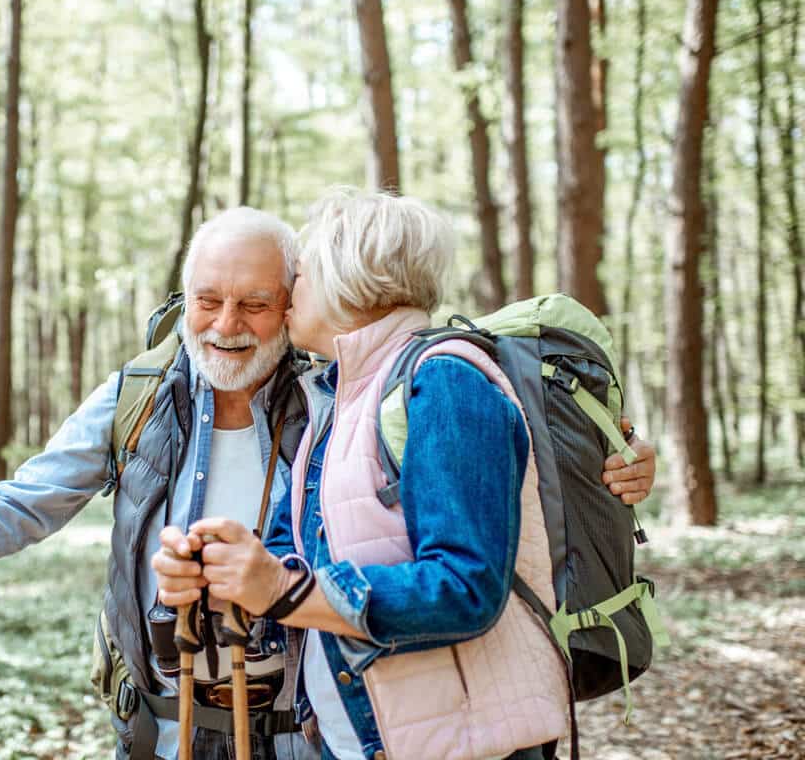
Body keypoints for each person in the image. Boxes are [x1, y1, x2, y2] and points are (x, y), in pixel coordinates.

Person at [0, 206, 657, 760]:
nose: (226, 324)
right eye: (208, 300)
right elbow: (30, 496)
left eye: (256, 303)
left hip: (311, 724)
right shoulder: (141, 397)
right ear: (182, 300)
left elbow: (463, 476)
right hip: (166, 723)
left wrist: (610, 463)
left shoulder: (342, 393)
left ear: (298, 300)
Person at [154, 190, 650, 760]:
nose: (290, 295)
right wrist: (217, 573)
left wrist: (281, 588)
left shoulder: (444, 383)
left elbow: (465, 588)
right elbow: (292, 556)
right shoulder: (340, 397)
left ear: (350, 280)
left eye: (304, 275)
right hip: (366, 741)